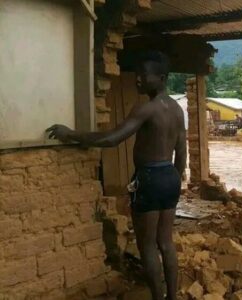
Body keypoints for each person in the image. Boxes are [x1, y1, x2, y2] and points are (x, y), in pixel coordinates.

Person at [46, 51, 185, 300]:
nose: (138, 80)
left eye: (144, 76)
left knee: (147, 246)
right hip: (170, 175)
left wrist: (72, 134)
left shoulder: (146, 108)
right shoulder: (176, 110)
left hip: (151, 177)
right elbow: (182, 152)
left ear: (161, 78)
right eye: (137, 74)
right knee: (166, 242)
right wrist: (175, 182)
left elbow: (111, 139)